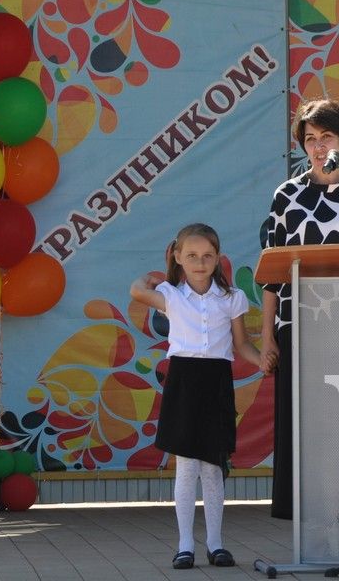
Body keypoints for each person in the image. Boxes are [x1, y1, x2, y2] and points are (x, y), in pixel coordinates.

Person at [260, 98, 339, 520]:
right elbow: (270, 273)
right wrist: (265, 336)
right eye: (309, 139)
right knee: (310, 424)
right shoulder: (287, 197)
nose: (317, 146)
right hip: (301, 325)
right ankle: (310, 512)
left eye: (325, 137)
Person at [131, 223, 270, 570]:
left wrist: (263, 361)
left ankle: (216, 544)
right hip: (183, 380)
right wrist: (150, 282)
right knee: (187, 467)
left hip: (216, 382)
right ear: (177, 258)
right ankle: (184, 546)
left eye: (207, 256)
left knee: (213, 467)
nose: (199, 262)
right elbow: (136, 292)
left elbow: (241, 346)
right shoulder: (171, 295)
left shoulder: (231, 299)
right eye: (191, 255)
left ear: (218, 259)